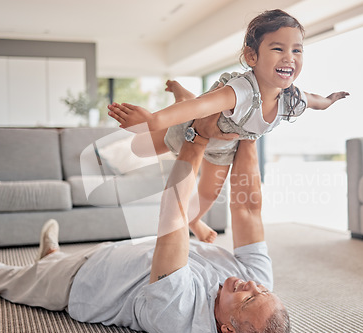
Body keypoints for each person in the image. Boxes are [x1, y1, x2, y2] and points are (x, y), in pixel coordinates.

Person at [0, 115, 290, 333]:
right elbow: (247, 209)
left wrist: (196, 139)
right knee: (51, 264)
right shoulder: (258, 285)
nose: (251, 285)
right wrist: (251, 129)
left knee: (17, 282)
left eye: (247, 298)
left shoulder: (179, 316)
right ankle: (51, 255)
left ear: (228, 332)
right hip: (127, 254)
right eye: (261, 290)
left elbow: (173, 215)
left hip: (88, 282)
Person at [108, 9, 349, 243]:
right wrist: (153, 120)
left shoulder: (291, 100)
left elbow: (315, 101)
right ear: (252, 56)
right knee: (141, 148)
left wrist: (330, 100)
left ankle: (194, 221)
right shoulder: (241, 90)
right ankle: (181, 94)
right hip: (192, 128)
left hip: (224, 147)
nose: (289, 57)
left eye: (297, 50)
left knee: (209, 194)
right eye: (278, 48)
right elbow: (200, 108)